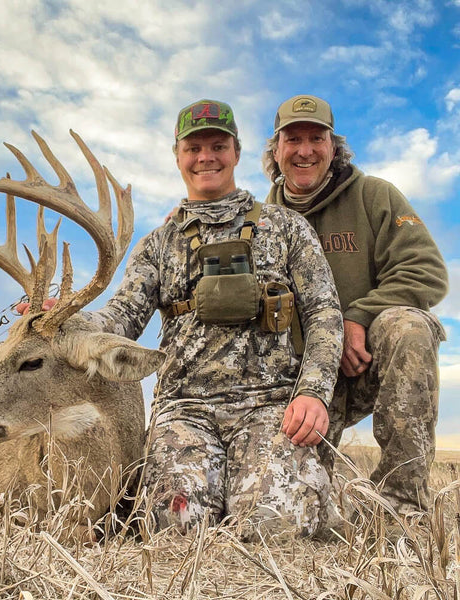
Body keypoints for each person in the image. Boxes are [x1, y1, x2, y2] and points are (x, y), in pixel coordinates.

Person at [81, 99, 344, 538]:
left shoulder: (287, 227)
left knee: (278, 527)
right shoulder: (157, 245)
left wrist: (313, 394)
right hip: (184, 411)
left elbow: (324, 314)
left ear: (236, 152)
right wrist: (69, 320)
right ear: (178, 155)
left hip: (270, 408)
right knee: (175, 527)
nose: (206, 157)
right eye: (194, 147)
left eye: (218, 145)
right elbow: (121, 319)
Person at [262, 94, 448, 515]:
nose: (305, 150)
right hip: (300, 382)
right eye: (293, 139)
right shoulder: (258, 220)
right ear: (276, 150)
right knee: (292, 510)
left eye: (317, 138)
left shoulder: (375, 196)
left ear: (334, 146)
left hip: (360, 363)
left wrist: (357, 317)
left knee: (409, 328)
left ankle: (401, 504)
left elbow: (426, 272)